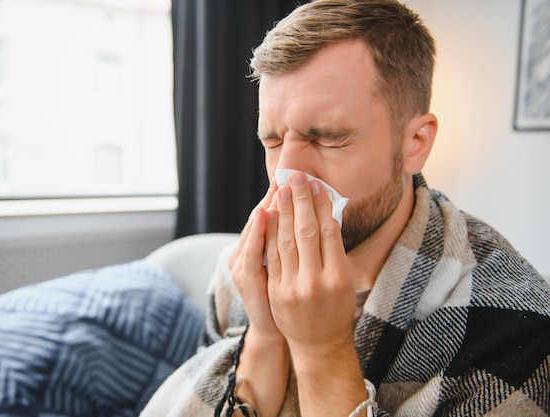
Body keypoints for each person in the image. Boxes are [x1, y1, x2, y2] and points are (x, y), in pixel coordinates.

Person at [141, 0, 550, 416]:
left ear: (415, 144)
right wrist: (265, 338)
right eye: (274, 141)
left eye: (327, 137)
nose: (287, 175)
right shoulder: (241, 277)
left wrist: (322, 354)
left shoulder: (515, 323)